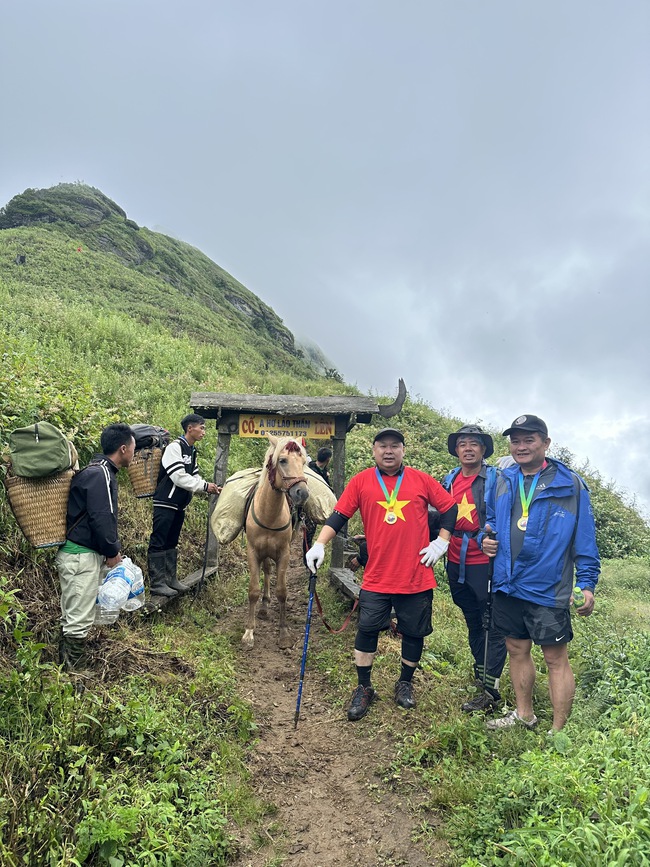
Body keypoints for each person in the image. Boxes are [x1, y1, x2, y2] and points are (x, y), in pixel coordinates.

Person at [306, 428, 458, 721]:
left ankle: (405, 683)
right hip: (377, 575)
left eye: (395, 446)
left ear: (403, 450)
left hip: (416, 574)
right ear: (373, 450)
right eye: (382, 446)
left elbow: (449, 508)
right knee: (367, 630)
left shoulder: (421, 479)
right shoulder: (361, 481)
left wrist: (442, 541)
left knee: (414, 632)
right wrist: (319, 544)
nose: (389, 451)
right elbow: (339, 515)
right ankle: (364, 687)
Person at [480, 415, 600, 732]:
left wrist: (587, 584)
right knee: (516, 650)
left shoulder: (569, 484)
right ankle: (524, 715)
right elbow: (490, 521)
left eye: (529, 439)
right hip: (507, 583)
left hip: (548, 588)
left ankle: (558, 731)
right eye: (515, 440)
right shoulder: (503, 480)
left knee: (555, 659)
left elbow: (585, 540)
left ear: (545, 443)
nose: (521, 446)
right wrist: (485, 539)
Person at [55, 423, 136, 671]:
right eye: (134, 448)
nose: (135, 453)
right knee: (79, 619)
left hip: (76, 555)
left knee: (72, 615)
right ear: (123, 449)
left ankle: (62, 670)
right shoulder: (100, 474)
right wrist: (113, 552)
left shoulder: (97, 471)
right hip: (80, 557)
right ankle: (75, 677)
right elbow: (101, 517)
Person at [443, 425, 507, 713]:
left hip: (485, 561)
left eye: (474, 444)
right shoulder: (450, 478)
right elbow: (439, 516)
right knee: (471, 617)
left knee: (491, 622)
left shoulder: (495, 479)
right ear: (456, 450)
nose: (468, 448)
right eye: (462, 444)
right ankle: (480, 674)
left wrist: (490, 537)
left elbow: (503, 516)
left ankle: (490, 690)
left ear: (483, 450)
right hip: (456, 559)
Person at [148, 414, 219, 598]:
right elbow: (178, 477)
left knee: (172, 541)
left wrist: (207, 486)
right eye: (201, 428)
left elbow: (194, 476)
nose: (204, 432)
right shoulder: (175, 448)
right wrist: (204, 486)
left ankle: (171, 579)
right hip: (165, 502)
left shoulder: (191, 450)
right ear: (190, 428)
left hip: (179, 504)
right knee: (159, 540)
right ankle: (157, 584)